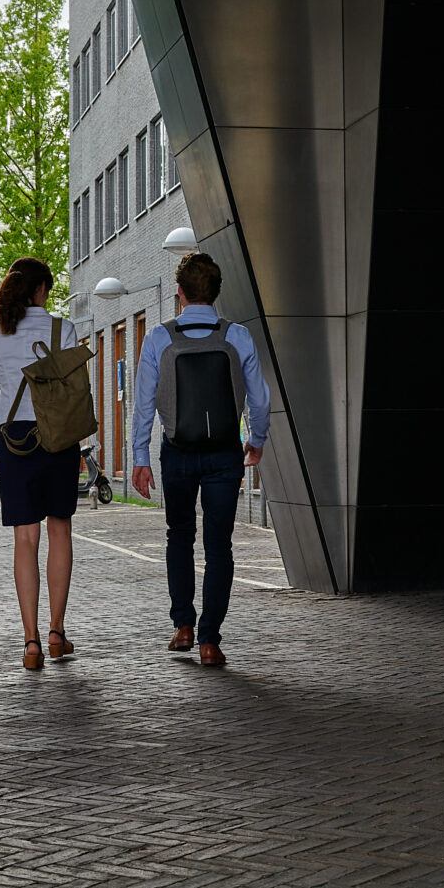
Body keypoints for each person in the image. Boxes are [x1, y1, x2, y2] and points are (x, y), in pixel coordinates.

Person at [131, 252, 269, 667]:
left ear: (179, 292)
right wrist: (256, 440)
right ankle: (210, 641)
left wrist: (140, 457)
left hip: (178, 452)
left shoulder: (159, 338)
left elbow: (143, 404)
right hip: (225, 453)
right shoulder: (237, 336)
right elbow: (260, 400)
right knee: (219, 545)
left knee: (179, 536)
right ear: (216, 292)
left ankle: (183, 627)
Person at [0, 256, 80, 670]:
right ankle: (57, 632)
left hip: (14, 440)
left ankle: (31, 642)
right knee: (60, 530)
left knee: (25, 539)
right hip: (58, 435)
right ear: (41, 290)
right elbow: (76, 392)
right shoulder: (63, 329)